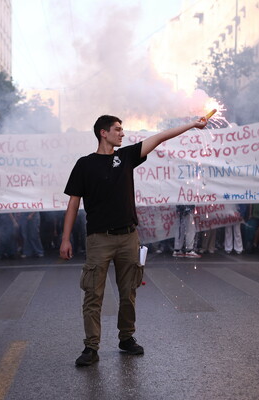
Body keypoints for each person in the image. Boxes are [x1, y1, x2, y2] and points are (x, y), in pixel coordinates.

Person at [60, 114, 208, 366]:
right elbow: (73, 203)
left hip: (128, 236)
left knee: (128, 292)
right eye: (117, 129)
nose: (122, 133)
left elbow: (161, 137)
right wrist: (65, 239)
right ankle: (91, 347)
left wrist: (192, 125)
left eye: (122, 129)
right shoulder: (84, 164)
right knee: (93, 295)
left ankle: (126, 338)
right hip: (98, 239)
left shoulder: (126, 156)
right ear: (103, 133)